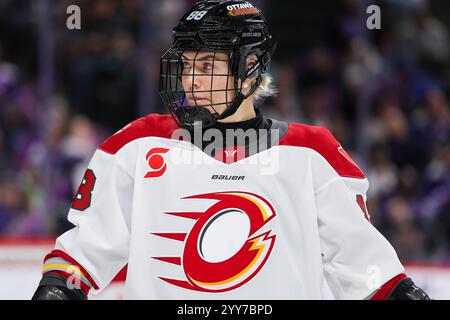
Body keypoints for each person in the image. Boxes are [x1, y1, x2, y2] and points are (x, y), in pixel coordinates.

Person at [32, 0, 430, 300]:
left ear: (250, 69)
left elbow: (366, 269)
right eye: (187, 66)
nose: (191, 80)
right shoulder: (139, 145)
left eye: (207, 66)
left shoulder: (312, 154)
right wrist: (57, 289)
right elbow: (82, 255)